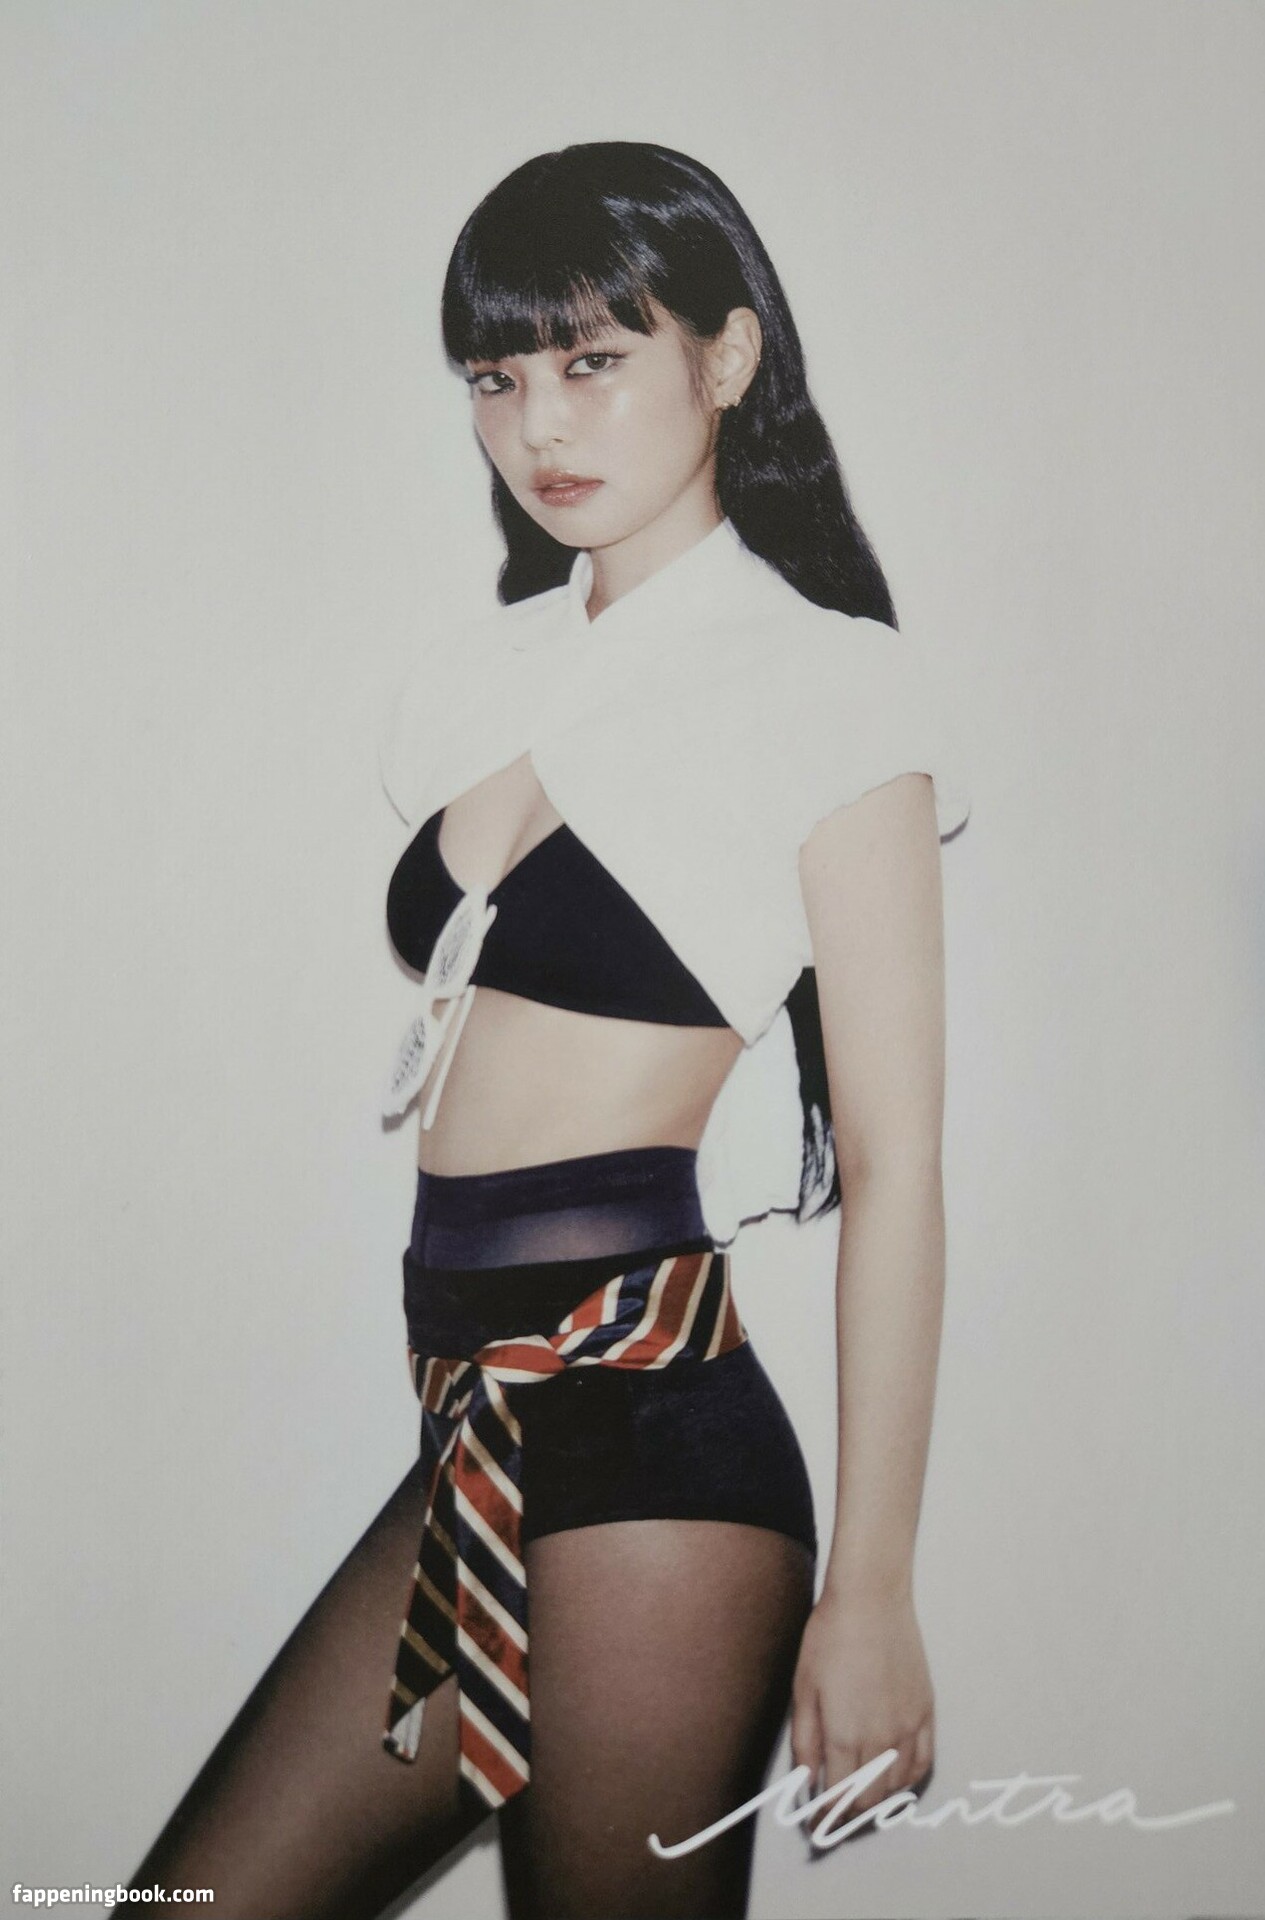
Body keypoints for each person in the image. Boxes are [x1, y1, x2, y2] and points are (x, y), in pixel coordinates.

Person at [117, 141, 970, 1920]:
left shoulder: (830, 685)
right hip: (474, 1427)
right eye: (496, 378)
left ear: (726, 357)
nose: (538, 425)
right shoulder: (479, 673)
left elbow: (896, 1167)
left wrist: (873, 1591)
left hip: (655, 1437)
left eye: (593, 360)